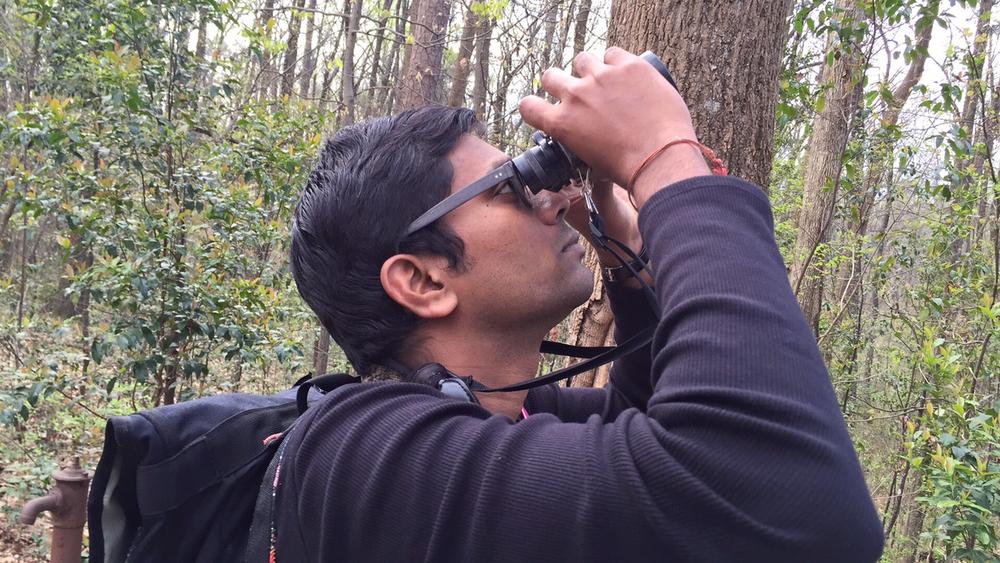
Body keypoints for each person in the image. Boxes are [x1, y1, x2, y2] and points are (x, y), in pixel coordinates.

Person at [277, 48, 885, 562]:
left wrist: (629, 247)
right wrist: (666, 158)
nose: (553, 195)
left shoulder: (501, 412)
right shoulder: (364, 456)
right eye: (512, 184)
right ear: (424, 281)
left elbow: (636, 416)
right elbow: (789, 501)